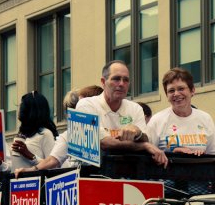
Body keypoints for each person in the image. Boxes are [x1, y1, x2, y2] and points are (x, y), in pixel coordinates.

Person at [15, 60, 166, 177]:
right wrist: (144, 146)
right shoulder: (86, 105)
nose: (121, 84)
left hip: (129, 183)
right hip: (93, 184)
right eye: (116, 79)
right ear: (103, 82)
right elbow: (103, 143)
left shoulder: (135, 108)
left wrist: (138, 133)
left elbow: (145, 138)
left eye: (126, 80)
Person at [146, 68, 215, 156]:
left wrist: (202, 155)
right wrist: (172, 154)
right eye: (171, 91)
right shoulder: (157, 121)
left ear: (192, 91)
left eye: (181, 88)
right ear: (167, 95)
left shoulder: (205, 118)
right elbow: (148, 155)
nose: (176, 94)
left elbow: (214, 155)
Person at [0, 91, 58, 171]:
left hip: (36, 182)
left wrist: (30, 155)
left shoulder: (45, 134)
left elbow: (54, 166)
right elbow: (16, 168)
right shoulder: (20, 135)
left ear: (32, 109)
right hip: (18, 183)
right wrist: (1, 164)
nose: (19, 109)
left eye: (23, 105)